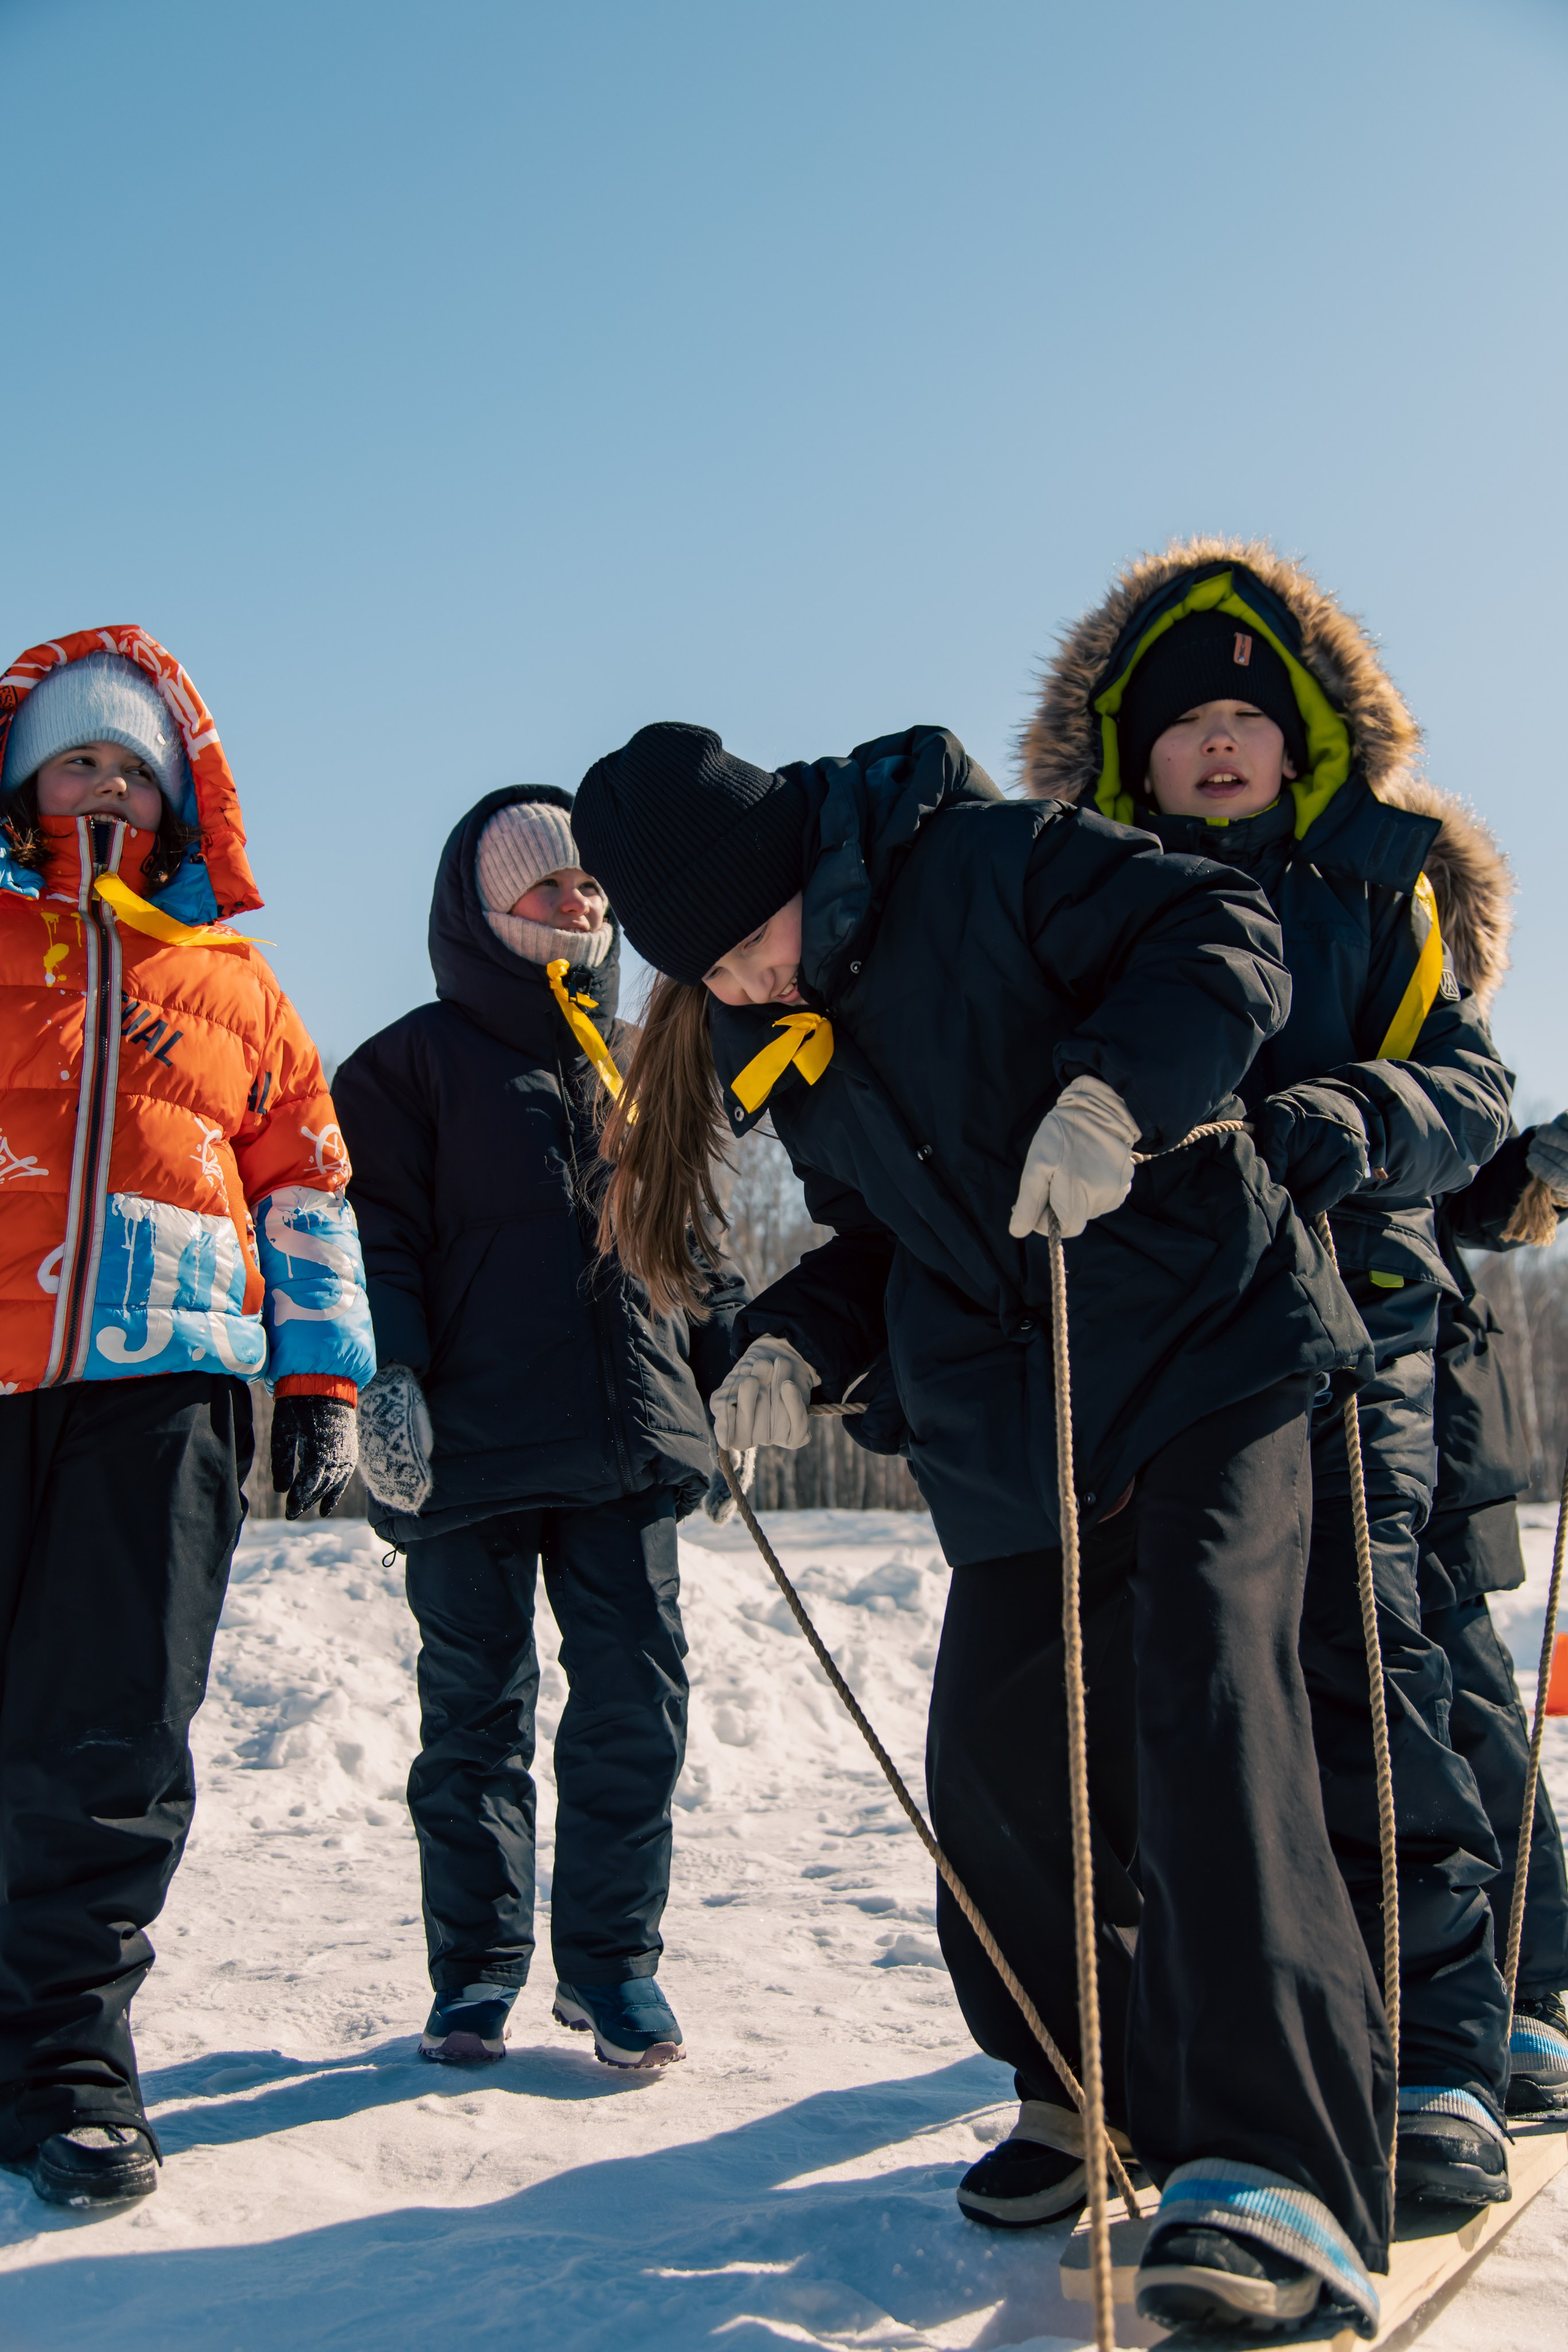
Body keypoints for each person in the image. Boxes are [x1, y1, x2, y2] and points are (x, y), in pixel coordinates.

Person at [575, 718, 1394, 2338]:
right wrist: (797, 1343)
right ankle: (1082, 2086)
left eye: (744, 943)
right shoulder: (786, 1024)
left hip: (1204, 1346)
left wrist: (1112, 1095)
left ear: (786, 864)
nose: (740, 983)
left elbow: (1223, 933)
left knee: (1208, 1704)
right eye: (707, 971)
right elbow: (890, 1236)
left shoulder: (986, 862)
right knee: (994, 1764)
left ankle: (1273, 2168)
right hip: (1018, 1421)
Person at [1024, 540, 1517, 2208]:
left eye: (1246, 717)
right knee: (1193, 1690)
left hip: (1358, 1309)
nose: (1218, 742)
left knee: (1363, 1658)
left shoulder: (1375, 883)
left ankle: (1438, 2049)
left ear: (1301, 738)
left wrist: (1360, 1116)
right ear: (1131, 757)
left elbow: (1468, 1088)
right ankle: (1218, 2048)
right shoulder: (1079, 902)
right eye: (1183, 724)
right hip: (1170, 1347)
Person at [0, 628, 372, 2210]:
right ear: (22, 784)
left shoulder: (232, 985)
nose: (104, 786)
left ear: (177, 801)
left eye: (131, 768)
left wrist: (321, 1379)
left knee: (111, 1728)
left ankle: (72, 2059)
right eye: (75, 759)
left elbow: (307, 1188)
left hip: (164, 1397)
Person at [333, 789, 744, 2074]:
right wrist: (390, 1380)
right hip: (467, 1446)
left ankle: (614, 1968)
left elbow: (697, 1239)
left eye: (592, 887)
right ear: (482, 907)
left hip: (626, 1433)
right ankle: (475, 1974)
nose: (578, 905)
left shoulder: (642, 1057)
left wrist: (737, 1370)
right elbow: (376, 1242)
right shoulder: (403, 1067)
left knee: (635, 1702)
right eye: (547, 886)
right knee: (475, 1716)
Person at [1423, 1111, 1568, 2113]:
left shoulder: (1405, 1016)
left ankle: (1536, 1969)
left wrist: (1533, 1171)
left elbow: (1465, 1182)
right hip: (1246, 1390)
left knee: (1465, 1698)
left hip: (1429, 1402)